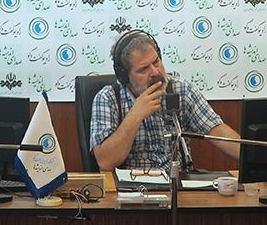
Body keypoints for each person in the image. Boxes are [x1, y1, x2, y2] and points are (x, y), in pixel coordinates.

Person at [89, 30, 241, 171]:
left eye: (156, 62)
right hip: (133, 186)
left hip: (178, 182)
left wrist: (253, 157)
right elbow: (105, 162)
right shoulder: (108, 99)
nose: (155, 72)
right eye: (143, 69)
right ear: (124, 76)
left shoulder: (181, 90)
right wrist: (135, 115)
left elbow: (218, 131)